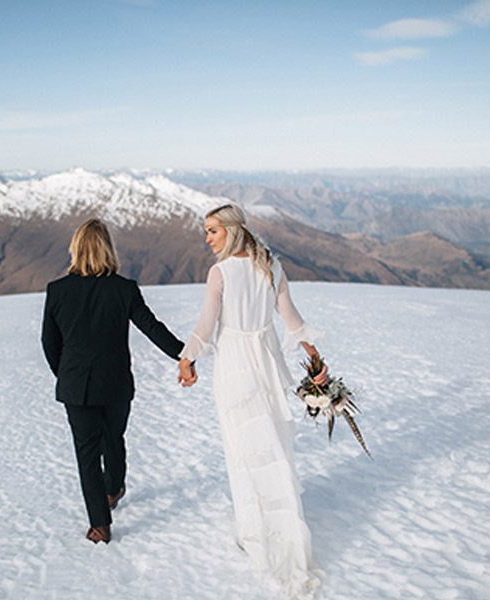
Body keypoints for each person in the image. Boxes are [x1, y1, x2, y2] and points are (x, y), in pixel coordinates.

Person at [177, 204, 325, 598]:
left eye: (212, 231)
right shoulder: (270, 266)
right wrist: (314, 357)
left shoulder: (221, 272)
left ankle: (256, 535)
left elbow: (207, 324)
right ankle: (279, 529)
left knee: (244, 450)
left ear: (230, 230)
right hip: (269, 363)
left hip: (236, 366)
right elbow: (291, 319)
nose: (207, 239)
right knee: (274, 445)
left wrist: (187, 358)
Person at [41, 218, 190, 544]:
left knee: (88, 454)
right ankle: (112, 491)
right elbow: (153, 328)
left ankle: (99, 522)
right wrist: (184, 354)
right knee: (113, 438)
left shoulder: (57, 291)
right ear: (108, 249)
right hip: (116, 383)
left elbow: (49, 344)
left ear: (75, 249)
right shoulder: (123, 289)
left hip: (75, 386)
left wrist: (65, 374)